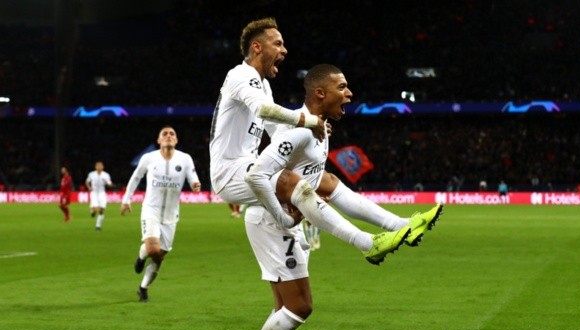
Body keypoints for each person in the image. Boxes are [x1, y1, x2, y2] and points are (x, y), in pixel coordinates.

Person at [232, 64, 443, 330]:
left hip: (294, 222)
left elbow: (331, 187)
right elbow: (261, 174)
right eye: (342, 88)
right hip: (273, 222)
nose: (349, 94)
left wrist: (400, 226)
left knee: (286, 308)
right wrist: (281, 216)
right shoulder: (297, 132)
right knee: (300, 306)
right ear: (320, 93)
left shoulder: (321, 130)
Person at [210, 17, 406, 267]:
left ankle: (394, 224)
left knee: (323, 179)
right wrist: (308, 120)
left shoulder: (264, 86)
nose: (284, 50)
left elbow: (276, 130)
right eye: (278, 44)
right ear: (257, 47)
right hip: (229, 172)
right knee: (292, 181)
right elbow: (263, 110)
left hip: (247, 165)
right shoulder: (240, 75)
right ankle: (366, 243)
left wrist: (311, 129)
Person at [120, 126, 201, 302]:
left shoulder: (185, 159)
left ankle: (143, 288)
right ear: (159, 140)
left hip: (171, 215)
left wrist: (196, 184)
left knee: (159, 257)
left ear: (176, 140)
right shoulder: (149, 158)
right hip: (151, 210)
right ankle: (142, 256)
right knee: (152, 249)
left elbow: (193, 177)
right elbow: (135, 177)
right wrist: (126, 200)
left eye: (172, 133)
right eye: (165, 134)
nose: (169, 136)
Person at [85, 161, 113, 230]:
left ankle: (98, 225)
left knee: (101, 210)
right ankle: (93, 212)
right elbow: (87, 181)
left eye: (100, 166)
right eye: (98, 166)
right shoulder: (91, 174)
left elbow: (110, 183)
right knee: (95, 210)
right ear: (95, 167)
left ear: (102, 167)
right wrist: (89, 187)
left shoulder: (106, 175)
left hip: (102, 193)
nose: (99, 167)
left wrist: (108, 183)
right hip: (94, 193)